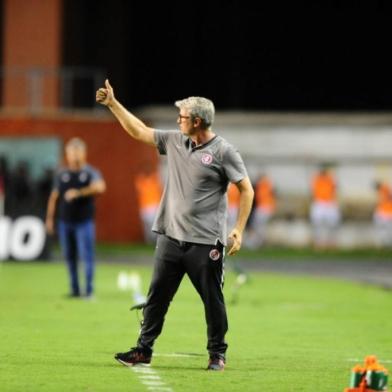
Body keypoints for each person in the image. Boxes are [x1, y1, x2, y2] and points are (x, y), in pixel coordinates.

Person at [96, 80, 254, 371]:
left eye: (182, 116)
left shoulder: (224, 152)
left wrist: (239, 230)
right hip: (170, 237)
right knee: (156, 297)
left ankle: (217, 354)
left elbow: (247, 189)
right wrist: (113, 105)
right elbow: (139, 131)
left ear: (197, 121)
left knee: (212, 301)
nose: (177, 120)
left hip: (205, 242)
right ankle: (143, 350)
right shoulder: (175, 141)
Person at [45, 138, 106, 298]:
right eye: (72, 152)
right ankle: (75, 290)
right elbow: (54, 197)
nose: (74, 156)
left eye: (77, 152)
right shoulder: (62, 173)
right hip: (65, 222)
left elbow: (100, 187)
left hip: (84, 222)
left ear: (84, 153)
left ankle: (89, 290)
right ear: (67, 154)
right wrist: (50, 219)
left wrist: (79, 193)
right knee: (69, 256)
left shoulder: (90, 172)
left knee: (86, 255)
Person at [310, 165, 340, 249]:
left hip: (330, 202)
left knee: (332, 223)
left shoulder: (331, 178)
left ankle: (332, 242)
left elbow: (335, 188)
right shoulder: (316, 178)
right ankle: (318, 243)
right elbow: (313, 190)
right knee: (317, 223)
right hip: (319, 202)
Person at [134, 162, 162, 243]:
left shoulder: (155, 179)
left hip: (155, 205)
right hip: (144, 206)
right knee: (147, 226)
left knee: (155, 225)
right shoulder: (141, 180)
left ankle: (155, 240)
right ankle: (149, 241)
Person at [247, 174, 276, 248]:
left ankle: (257, 242)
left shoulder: (264, 185)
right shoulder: (267, 185)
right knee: (259, 226)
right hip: (264, 208)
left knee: (257, 225)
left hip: (263, 208)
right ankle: (259, 241)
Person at [373, 181, 392, 248]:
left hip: (385, 213)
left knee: (385, 229)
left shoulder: (384, 189)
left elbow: (384, 198)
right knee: (385, 229)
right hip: (385, 212)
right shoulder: (385, 189)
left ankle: (386, 244)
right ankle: (386, 243)